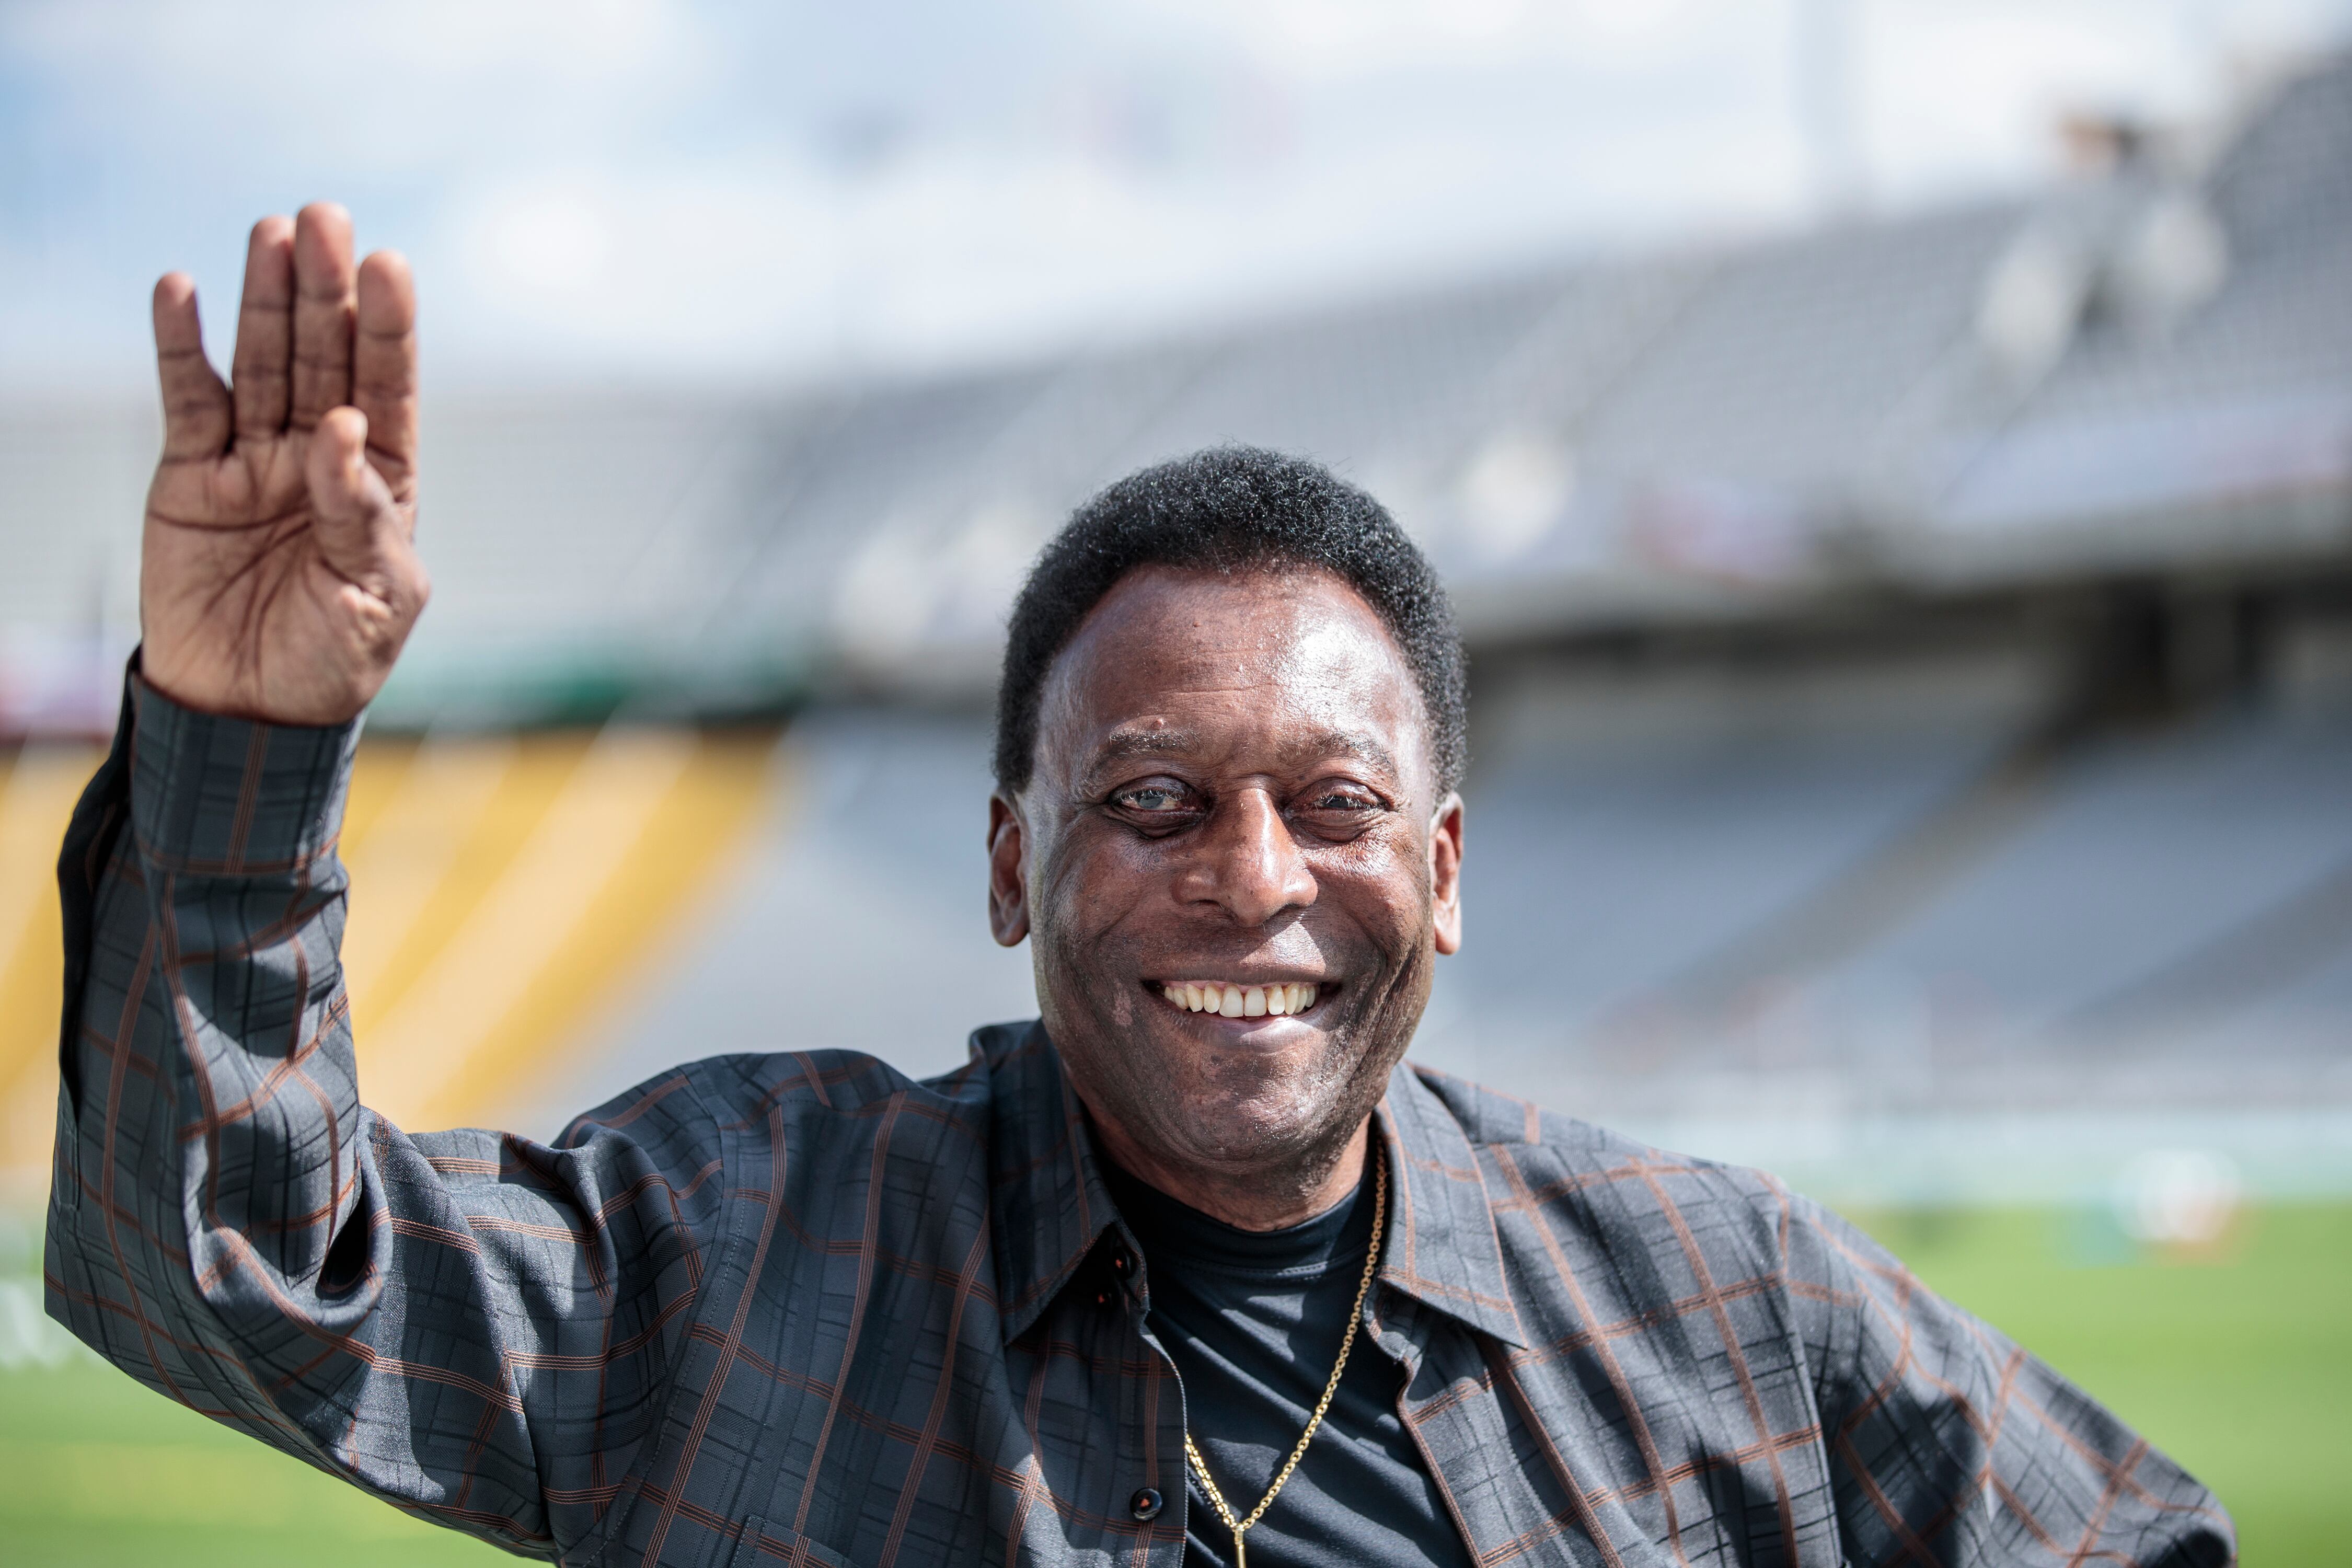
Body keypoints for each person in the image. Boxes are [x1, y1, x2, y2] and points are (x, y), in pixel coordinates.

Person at [44, 203, 2230, 1568]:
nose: (1255, 882)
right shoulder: (743, 1255)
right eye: (1157, 801)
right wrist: (239, 744)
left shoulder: (1722, 1308)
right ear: (1013, 861)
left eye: (1338, 805)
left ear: (1444, 873)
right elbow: (236, 1272)